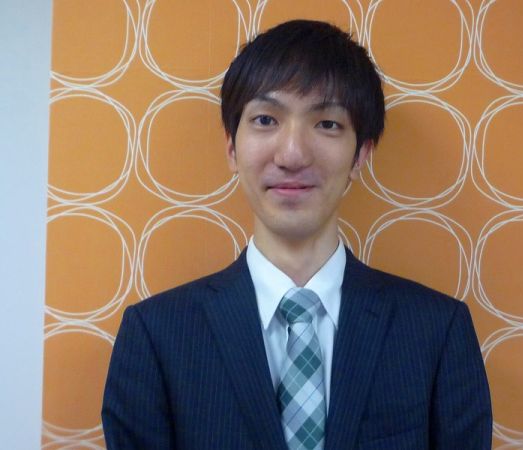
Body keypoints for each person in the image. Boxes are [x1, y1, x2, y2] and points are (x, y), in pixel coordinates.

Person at [102, 20, 492, 449]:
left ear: (361, 154)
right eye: (265, 119)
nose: (292, 155)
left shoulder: (437, 332)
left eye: (327, 124)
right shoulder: (156, 335)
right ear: (231, 147)